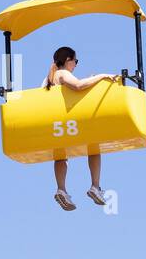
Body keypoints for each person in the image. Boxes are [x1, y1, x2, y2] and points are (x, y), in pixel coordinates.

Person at [44, 46, 117, 211]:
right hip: (72, 119)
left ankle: (61, 189)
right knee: (94, 147)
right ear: (68, 60)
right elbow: (77, 86)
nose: (76, 65)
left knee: (61, 156)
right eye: (75, 61)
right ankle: (95, 186)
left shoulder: (51, 78)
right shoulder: (62, 73)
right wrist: (102, 76)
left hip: (58, 123)